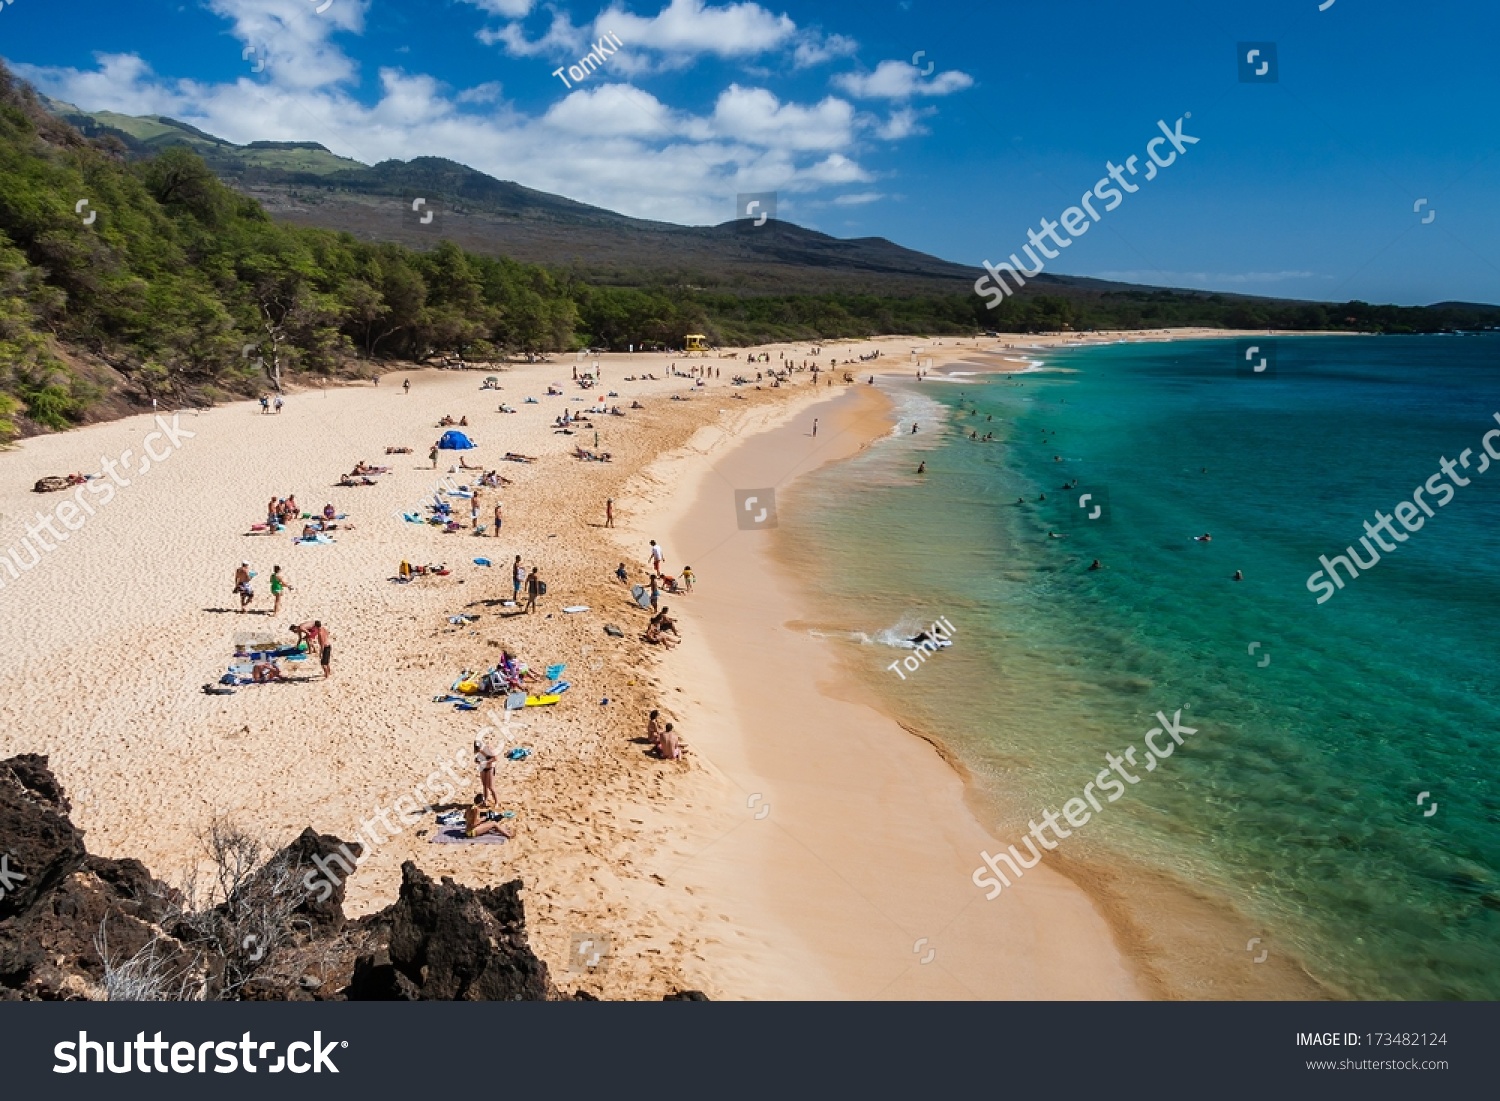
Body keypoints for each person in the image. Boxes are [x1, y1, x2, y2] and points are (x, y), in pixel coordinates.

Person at [475, 736, 499, 806]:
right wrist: (477, 761)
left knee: (490, 786)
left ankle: (496, 802)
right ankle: (485, 800)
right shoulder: (478, 751)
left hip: (490, 768)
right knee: (484, 785)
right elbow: (477, 759)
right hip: (482, 768)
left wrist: (486, 762)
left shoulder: (488, 749)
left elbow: (495, 758)